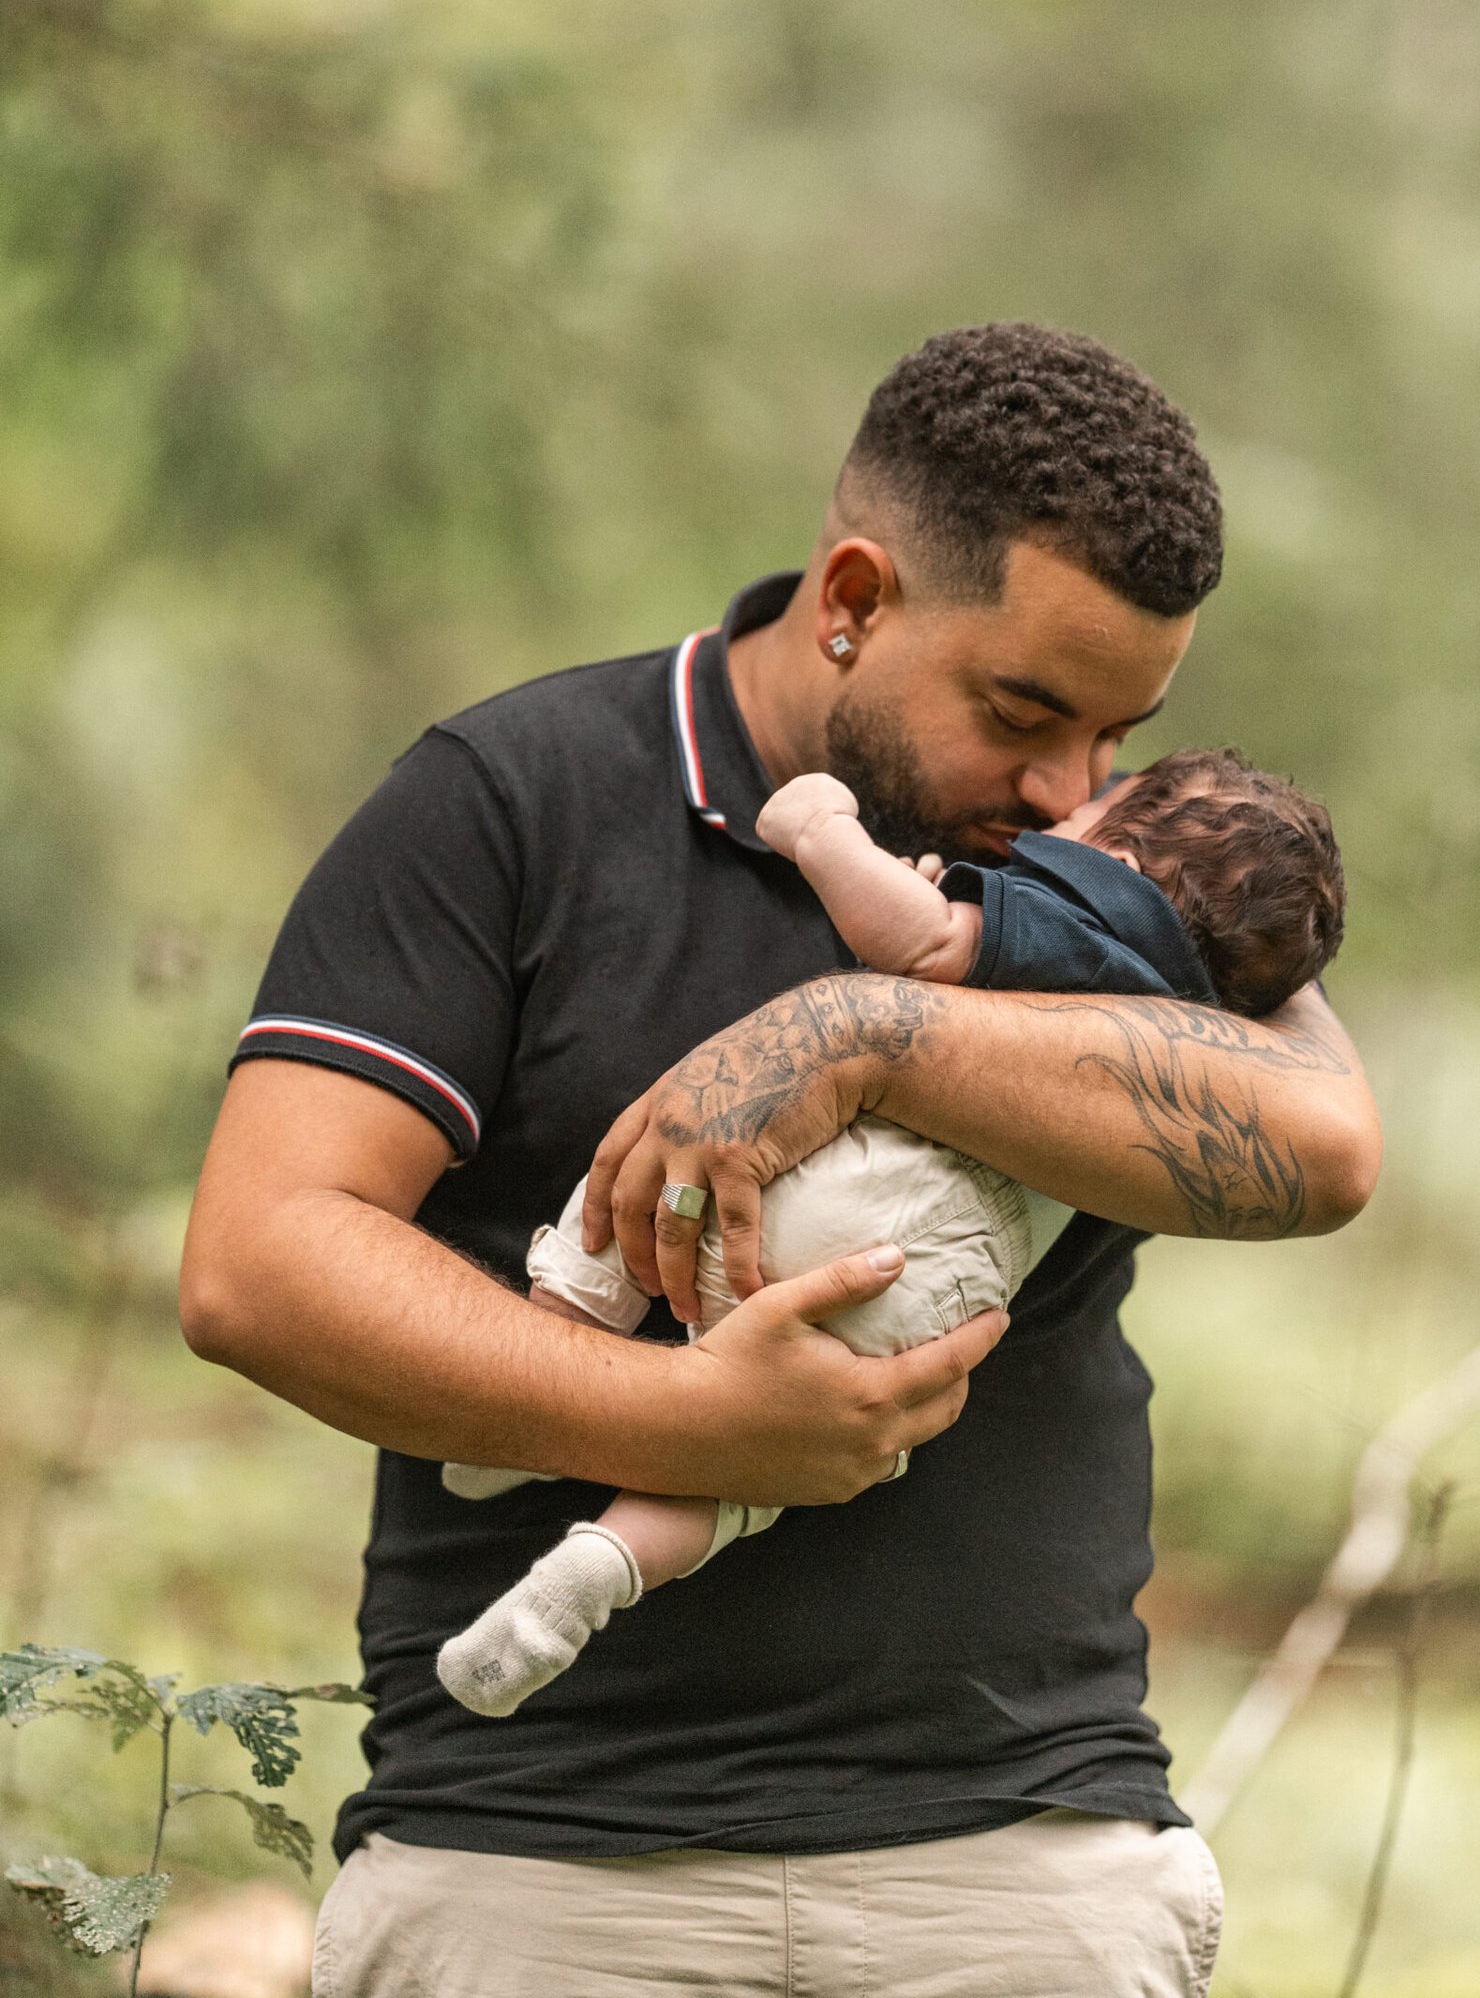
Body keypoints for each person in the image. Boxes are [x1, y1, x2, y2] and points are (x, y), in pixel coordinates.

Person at [181, 324, 1382, 1998]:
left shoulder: (1138, 871)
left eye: (1120, 730)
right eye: (1024, 708)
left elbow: (1324, 1149)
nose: (1067, 790)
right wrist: (686, 1423)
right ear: (855, 599)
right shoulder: (513, 803)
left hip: (1020, 1867)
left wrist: (864, 1033)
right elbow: (257, 1265)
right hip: (546, 1868)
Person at [435, 747, 1346, 1718]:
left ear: (1116, 864)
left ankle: (546, 1376)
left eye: (1099, 806)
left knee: (648, 1169)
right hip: (928, 1286)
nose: (1064, 804)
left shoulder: (1091, 909)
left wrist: (822, 832)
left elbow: (915, 946)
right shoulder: (1194, 1030)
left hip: (846, 1183)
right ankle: (592, 1573)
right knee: (748, 1473)